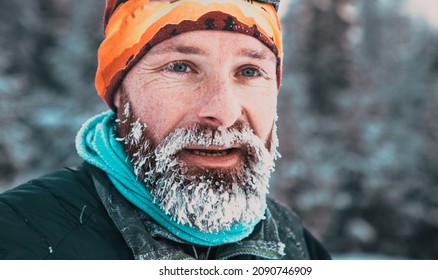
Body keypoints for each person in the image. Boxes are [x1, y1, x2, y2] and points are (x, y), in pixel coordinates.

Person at [0, 0, 331, 260]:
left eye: (249, 70)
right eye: (180, 67)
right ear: (119, 93)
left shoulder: (294, 243)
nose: (223, 112)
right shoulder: (20, 240)